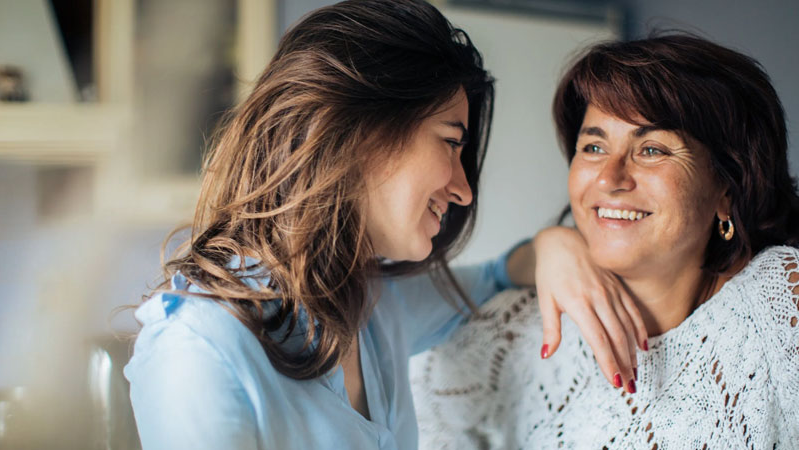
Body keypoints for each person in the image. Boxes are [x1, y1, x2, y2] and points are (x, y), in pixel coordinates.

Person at [123, 1, 646, 449]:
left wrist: (554, 244)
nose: (463, 189)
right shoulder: (198, 349)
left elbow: (492, 278)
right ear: (361, 134)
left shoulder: (370, 304)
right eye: (450, 141)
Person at [411, 33, 799, 449]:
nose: (609, 178)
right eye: (594, 146)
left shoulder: (779, 305)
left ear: (726, 187)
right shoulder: (513, 332)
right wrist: (549, 242)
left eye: (651, 149)